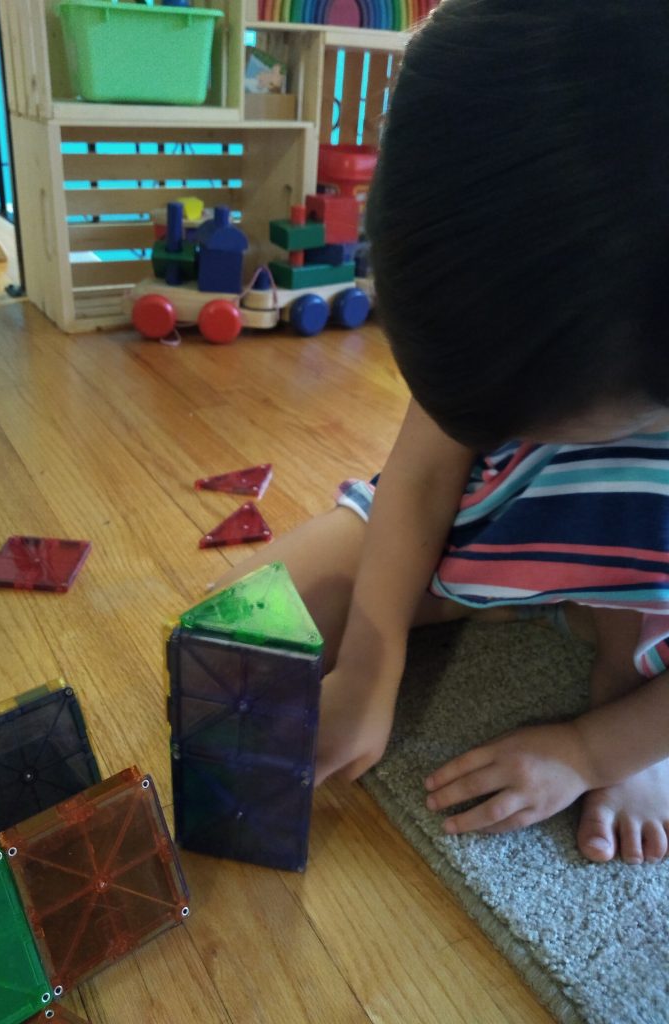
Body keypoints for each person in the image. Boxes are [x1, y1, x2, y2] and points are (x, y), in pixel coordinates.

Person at [211, 0, 669, 864]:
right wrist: (369, 668)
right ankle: (551, 597)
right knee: (239, 627)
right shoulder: (501, 270)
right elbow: (421, 477)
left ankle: (631, 705)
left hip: (648, 566)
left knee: (634, 683)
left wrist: (591, 751)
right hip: (497, 520)